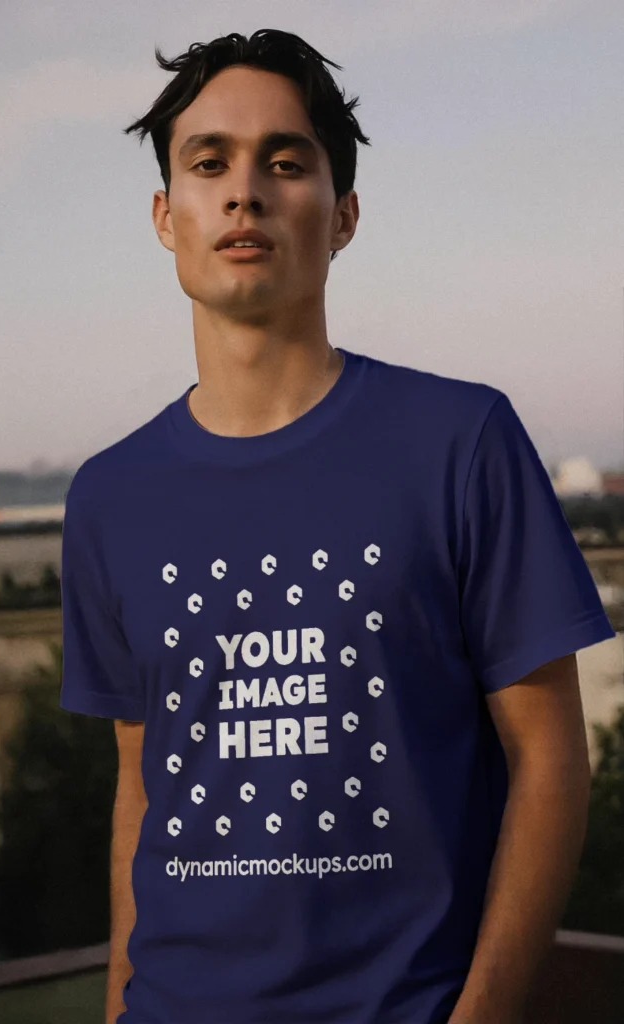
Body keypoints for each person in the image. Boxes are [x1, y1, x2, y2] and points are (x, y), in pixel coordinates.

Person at [58, 28, 616, 1024]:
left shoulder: (461, 440)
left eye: (284, 161)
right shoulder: (108, 494)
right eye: (208, 163)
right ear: (164, 215)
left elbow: (547, 759)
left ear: (343, 213)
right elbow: (142, 788)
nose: (243, 192)